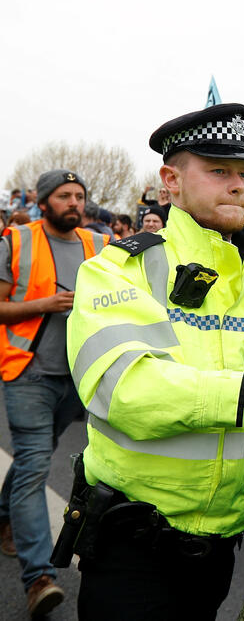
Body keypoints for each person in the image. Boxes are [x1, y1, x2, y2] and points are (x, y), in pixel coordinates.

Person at [65, 103, 244, 619]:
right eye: (219, 170)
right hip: (132, 545)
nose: (238, 185)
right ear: (171, 181)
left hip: (224, 545)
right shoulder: (119, 269)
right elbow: (127, 392)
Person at [0, 169, 109, 616]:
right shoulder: (16, 240)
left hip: (78, 377)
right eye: (64, 195)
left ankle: (5, 517)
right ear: (44, 202)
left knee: (37, 454)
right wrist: (43, 304)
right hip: (27, 373)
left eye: (79, 195)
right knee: (34, 462)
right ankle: (39, 578)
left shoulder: (100, 245)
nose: (74, 202)